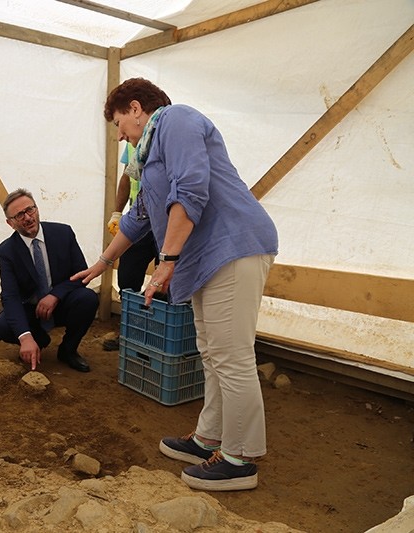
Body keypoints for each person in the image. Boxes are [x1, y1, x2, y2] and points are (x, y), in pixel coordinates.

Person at [72, 78, 278, 491]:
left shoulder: (175, 119)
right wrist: (102, 263)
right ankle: (209, 440)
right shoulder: (147, 159)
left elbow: (192, 188)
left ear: (135, 108)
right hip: (205, 259)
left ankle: (241, 458)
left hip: (233, 246)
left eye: (119, 124)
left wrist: (166, 261)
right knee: (212, 352)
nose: (119, 135)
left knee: (232, 356)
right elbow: (138, 217)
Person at [0, 188, 99, 373]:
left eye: (30, 210)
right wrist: (25, 337)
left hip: (61, 303)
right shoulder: (6, 252)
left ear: (37, 209)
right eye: (19, 215)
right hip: (32, 310)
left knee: (88, 299)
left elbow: (81, 274)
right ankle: (39, 339)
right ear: (10, 223)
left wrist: (55, 295)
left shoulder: (63, 233)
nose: (27, 217)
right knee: (3, 325)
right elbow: (10, 296)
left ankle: (68, 350)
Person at [107, 144, 158, 295]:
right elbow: (126, 178)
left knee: (164, 281)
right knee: (127, 276)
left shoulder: (165, 137)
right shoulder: (130, 142)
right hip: (137, 221)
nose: (122, 136)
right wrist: (117, 212)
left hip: (163, 222)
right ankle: (129, 311)